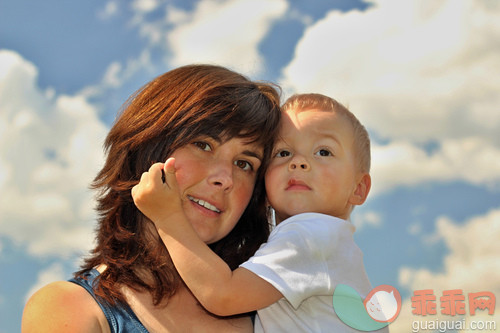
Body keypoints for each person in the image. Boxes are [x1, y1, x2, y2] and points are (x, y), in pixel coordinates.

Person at [21, 64, 282, 332]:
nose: (225, 178)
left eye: (244, 164)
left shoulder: (279, 313)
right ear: (147, 146)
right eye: (203, 145)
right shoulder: (70, 307)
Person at [132, 93, 382, 332]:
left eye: (323, 152)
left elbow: (222, 295)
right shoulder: (329, 244)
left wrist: (167, 217)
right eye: (283, 153)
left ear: (358, 189)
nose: (299, 162)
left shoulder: (311, 234)